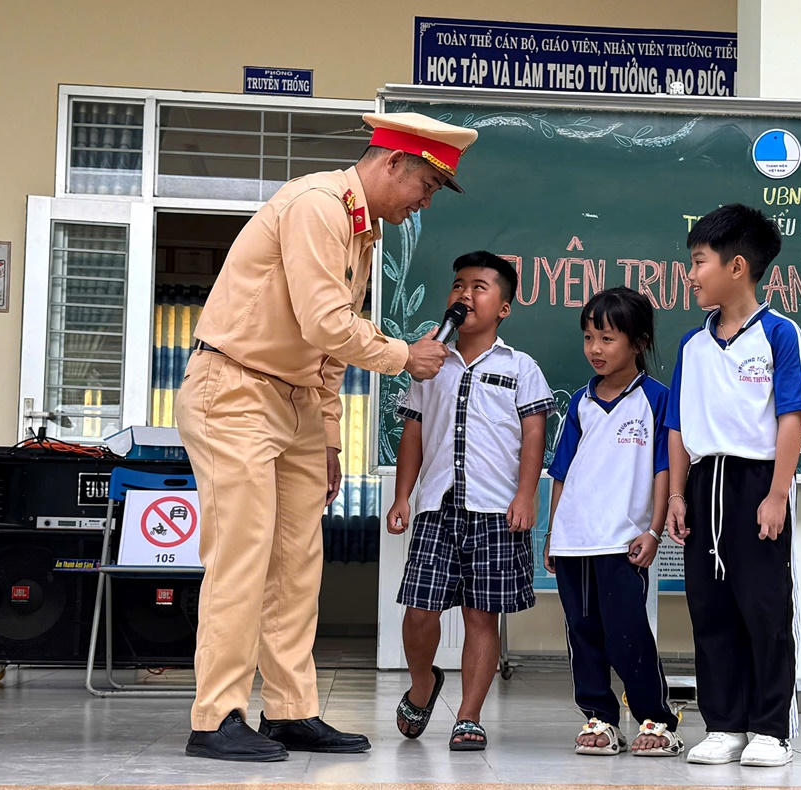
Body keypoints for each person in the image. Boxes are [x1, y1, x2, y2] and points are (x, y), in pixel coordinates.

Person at [177, 112, 477, 762]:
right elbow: (325, 322)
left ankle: (289, 710)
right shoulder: (317, 206)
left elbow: (328, 354)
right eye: (424, 186)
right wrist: (404, 356)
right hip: (234, 389)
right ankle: (217, 715)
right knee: (243, 552)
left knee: (296, 563)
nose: (423, 202)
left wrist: (331, 439)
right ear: (392, 163)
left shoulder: (360, 233)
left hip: (293, 405)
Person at [664, 204, 801, 768]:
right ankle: (724, 724)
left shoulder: (780, 334)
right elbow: (679, 426)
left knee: (764, 608)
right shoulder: (693, 345)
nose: (690, 273)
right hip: (706, 481)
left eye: (698, 261)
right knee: (710, 608)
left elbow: (791, 419)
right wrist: (679, 495)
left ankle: (770, 728)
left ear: (736, 267)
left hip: (758, 481)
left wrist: (777, 495)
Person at [386, 251, 554, 752]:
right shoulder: (428, 363)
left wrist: (526, 496)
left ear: (504, 306)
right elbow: (412, 435)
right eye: (459, 285)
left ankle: (468, 716)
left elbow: (533, 435)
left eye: (480, 287)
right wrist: (402, 496)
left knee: (482, 615)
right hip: (438, 505)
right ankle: (422, 685)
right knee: (419, 610)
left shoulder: (520, 366)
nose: (465, 294)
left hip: (496, 510)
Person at [543, 287, 683, 758]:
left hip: (623, 540)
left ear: (638, 342)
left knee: (628, 634)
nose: (595, 349)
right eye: (588, 338)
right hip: (574, 539)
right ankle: (599, 718)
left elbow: (665, 469)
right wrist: (552, 531)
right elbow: (562, 472)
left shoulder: (658, 400)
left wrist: (654, 530)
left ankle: (658, 720)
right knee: (582, 632)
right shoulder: (579, 404)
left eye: (607, 338)